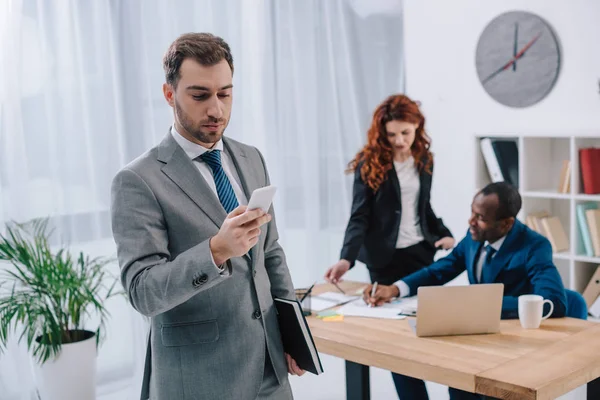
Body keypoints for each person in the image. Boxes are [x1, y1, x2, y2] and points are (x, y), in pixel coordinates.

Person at [111, 33, 304, 400]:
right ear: (170, 94)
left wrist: (291, 334)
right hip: (199, 380)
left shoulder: (251, 158)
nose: (216, 109)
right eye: (200, 96)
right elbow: (142, 292)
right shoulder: (138, 181)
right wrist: (215, 251)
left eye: (225, 93)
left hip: (271, 372)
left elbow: (270, 253)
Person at [364, 181, 567, 400]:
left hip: (510, 348)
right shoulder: (475, 238)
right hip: (473, 337)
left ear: (506, 224)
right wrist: (395, 289)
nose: (471, 222)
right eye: (472, 212)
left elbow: (553, 300)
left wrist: (483, 305)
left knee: (462, 385)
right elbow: (440, 270)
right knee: (401, 359)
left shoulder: (534, 246)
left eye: (480, 217)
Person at [323, 94, 454, 399]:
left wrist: (443, 234)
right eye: (392, 134)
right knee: (399, 342)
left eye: (405, 133)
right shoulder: (370, 163)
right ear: (381, 132)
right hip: (384, 259)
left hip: (421, 252)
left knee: (427, 331)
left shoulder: (425, 159)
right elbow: (359, 216)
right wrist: (346, 260)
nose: (399, 141)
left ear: (417, 126)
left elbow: (424, 207)